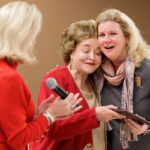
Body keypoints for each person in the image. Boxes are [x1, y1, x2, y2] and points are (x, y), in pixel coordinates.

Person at [30, 19, 124, 150]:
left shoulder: (98, 81)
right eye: (86, 51)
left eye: (98, 53)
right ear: (71, 51)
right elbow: (52, 129)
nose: (92, 57)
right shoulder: (55, 79)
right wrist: (94, 115)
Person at [0, 1, 83, 150]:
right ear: (21, 36)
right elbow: (18, 139)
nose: (34, 43)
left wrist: (37, 116)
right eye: (33, 36)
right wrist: (50, 115)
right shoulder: (8, 78)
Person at [95, 8, 150, 150]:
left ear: (127, 37)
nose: (106, 40)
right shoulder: (96, 74)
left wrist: (147, 128)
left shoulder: (147, 69)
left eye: (113, 33)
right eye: (101, 35)